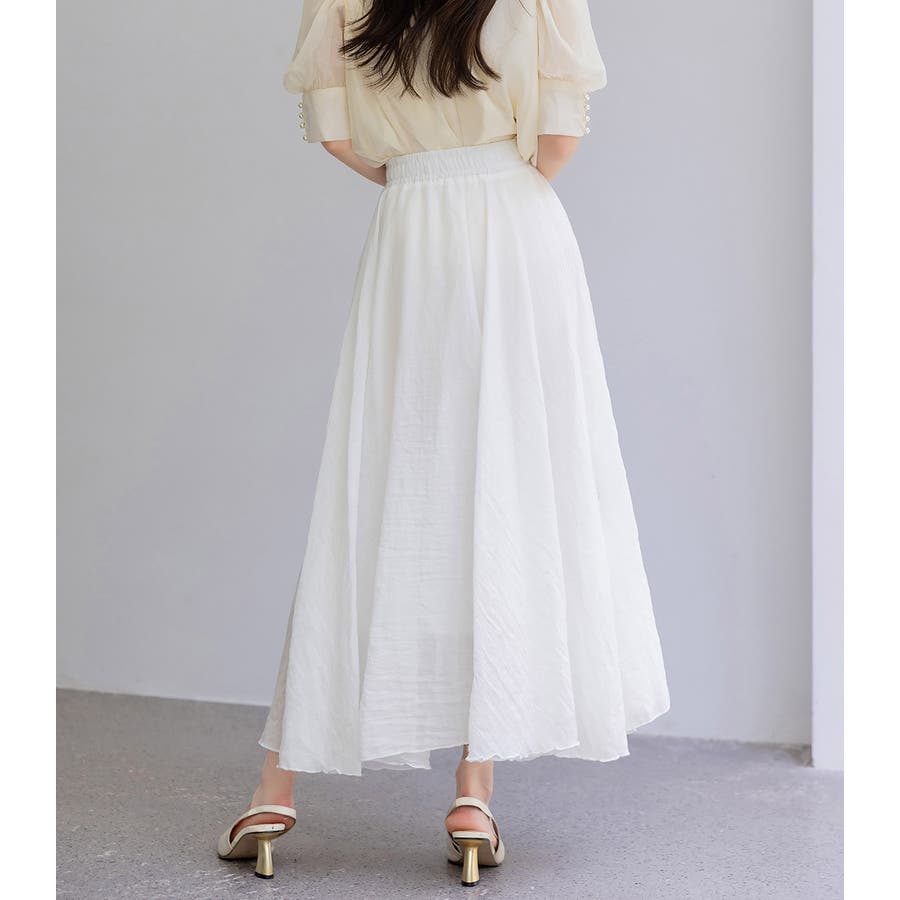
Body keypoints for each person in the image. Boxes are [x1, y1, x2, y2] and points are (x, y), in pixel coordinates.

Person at [216, 0, 670, 886]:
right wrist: (485, 175)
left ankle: (276, 789)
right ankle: (472, 794)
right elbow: (557, 141)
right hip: (517, 230)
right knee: (504, 484)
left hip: (410, 233)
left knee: (378, 486)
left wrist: (423, 178)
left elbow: (336, 134)